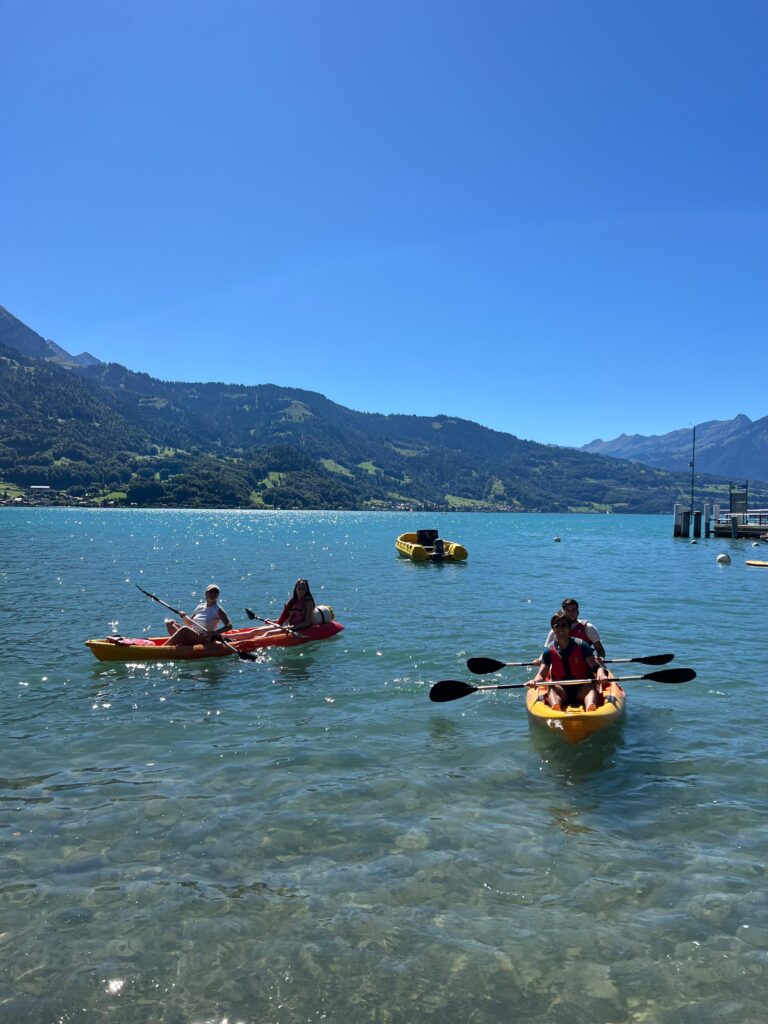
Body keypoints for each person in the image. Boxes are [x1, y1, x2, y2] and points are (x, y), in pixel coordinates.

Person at [533, 611, 609, 712]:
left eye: (564, 625)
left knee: (591, 686)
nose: (561, 628)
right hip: (562, 690)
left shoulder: (582, 646)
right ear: (553, 629)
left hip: (582, 689)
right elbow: (541, 675)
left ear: (569, 628)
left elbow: (597, 667)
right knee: (551, 686)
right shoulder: (549, 650)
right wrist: (534, 681)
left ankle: (590, 706)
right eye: (557, 625)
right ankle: (556, 707)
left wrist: (601, 674)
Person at [241, 579, 317, 640]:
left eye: (304, 589)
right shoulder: (293, 601)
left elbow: (307, 622)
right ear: (296, 589)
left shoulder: (308, 602)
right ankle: (229, 638)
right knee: (255, 631)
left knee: (268, 634)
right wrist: (273, 621)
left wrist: (293, 627)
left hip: (296, 628)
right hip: (285, 625)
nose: (301, 591)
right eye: (299, 588)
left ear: (307, 590)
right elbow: (289, 617)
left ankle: (245, 643)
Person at [163, 584, 233, 646]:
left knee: (184, 629)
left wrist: (214, 632)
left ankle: (164, 648)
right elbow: (190, 624)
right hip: (193, 635)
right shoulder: (200, 606)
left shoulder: (218, 609)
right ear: (206, 594)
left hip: (204, 639)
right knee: (170, 623)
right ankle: (178, 643)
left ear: (218, 594)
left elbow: (229, 626)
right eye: (211, 592)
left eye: (215, 592)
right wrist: (183, 617)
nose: (213, 594)